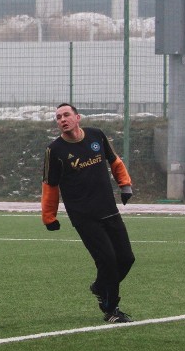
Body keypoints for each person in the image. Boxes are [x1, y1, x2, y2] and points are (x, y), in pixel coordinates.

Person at [41, 103, 136, 324]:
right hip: (84, 217)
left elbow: (114, 161)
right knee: (108, 262)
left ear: (77, 117)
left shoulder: (96, 136)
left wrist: (125, 185)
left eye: (66, 115)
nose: (62, 119)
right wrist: (49, 216)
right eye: (58, 117)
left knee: (127, 259)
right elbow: (49, 185)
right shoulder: (54, 151)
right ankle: (111, 309)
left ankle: (100, 286)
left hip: (108, 210)